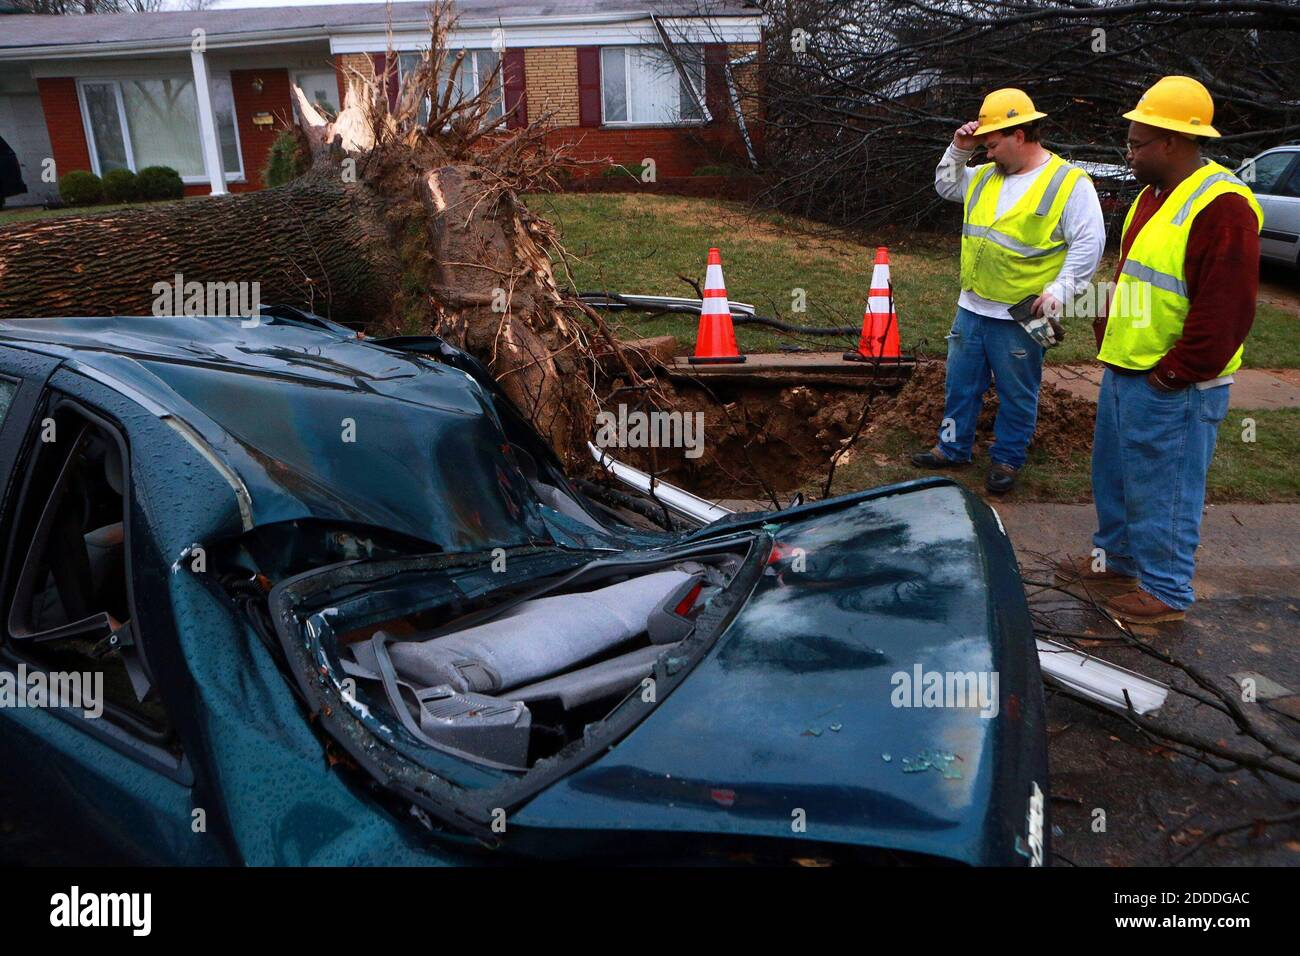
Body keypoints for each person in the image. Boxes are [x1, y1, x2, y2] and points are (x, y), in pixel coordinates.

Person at [1055, 76, 1262, 624]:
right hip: (1130, 367)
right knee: (1116, 475)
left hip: (1175, 383)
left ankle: (1167, 592)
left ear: (1172, 141)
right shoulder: (1153, 196)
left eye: (1137, 143)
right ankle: (1116, 559)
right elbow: (1134, 278)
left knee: (1165, 486)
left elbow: (1226, 311)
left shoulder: (1223, 208)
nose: (1129, 153)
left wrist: (1176, 373)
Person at [914, 88, 1105, 494]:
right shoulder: (984, 174)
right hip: (973, 304)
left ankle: (1007, 459)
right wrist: (958, 149)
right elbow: (947, 187)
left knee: (1018, 392)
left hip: (1021, 314)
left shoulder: (1068, 184)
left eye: (993, 142)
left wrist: (1059, 293)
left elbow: (1089, 244)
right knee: (961, 383)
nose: (987, 152)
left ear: (1020, 134)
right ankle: (953, 448)